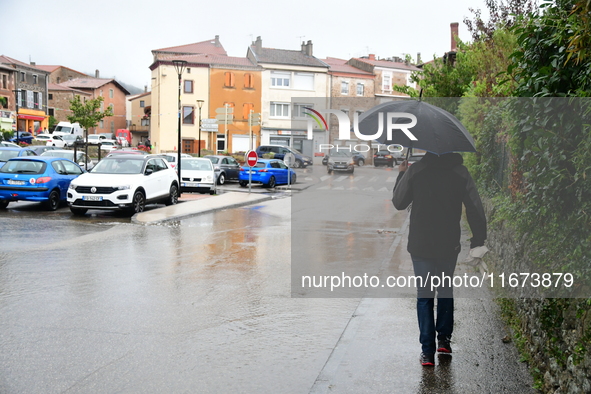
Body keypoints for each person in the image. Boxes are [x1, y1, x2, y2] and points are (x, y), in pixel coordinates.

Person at [392, 152, 487, 367]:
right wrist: (478, 239)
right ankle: (444, 340)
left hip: (421, 243)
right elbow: (474, 207)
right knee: (445, 290)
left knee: (424, 295)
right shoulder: (460, 172)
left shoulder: (416, 170)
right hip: (448, 243)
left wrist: (401, 174)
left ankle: (427, 352)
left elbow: (399, 202)